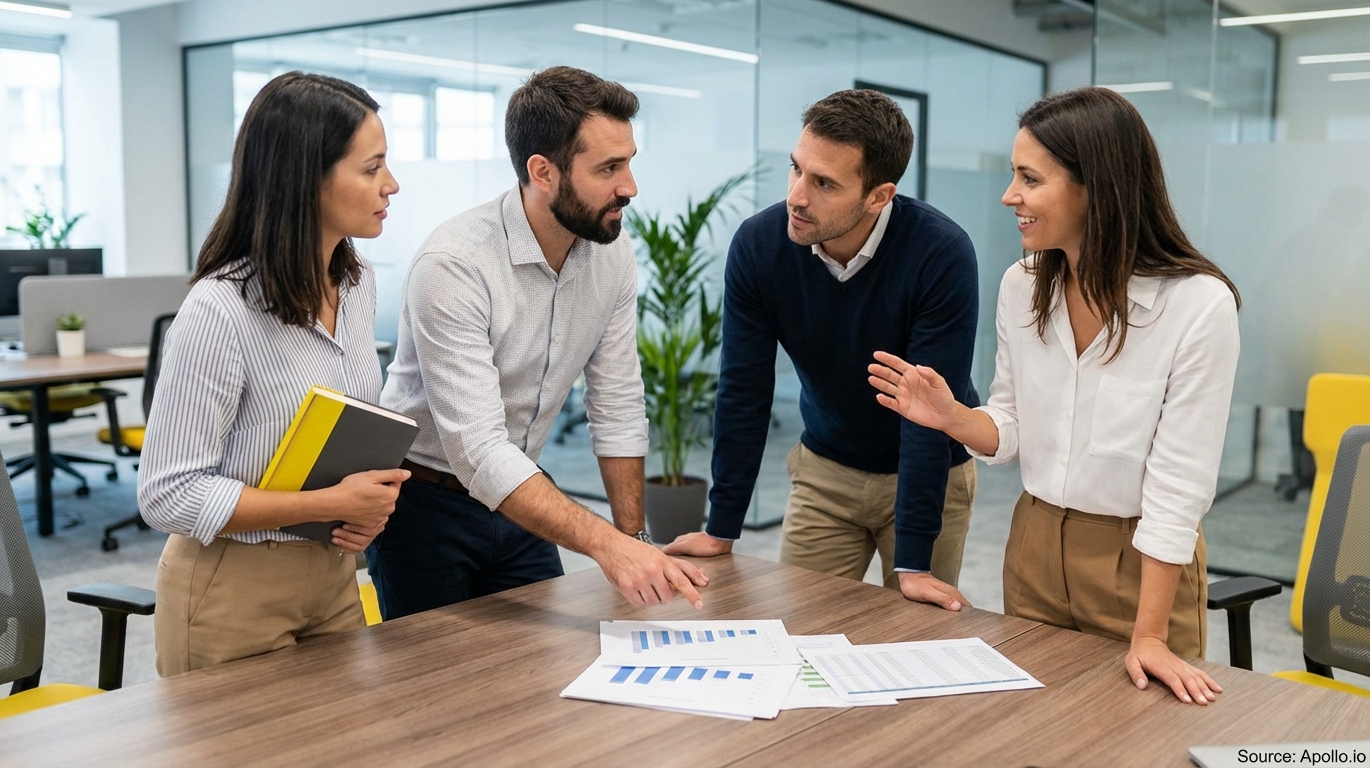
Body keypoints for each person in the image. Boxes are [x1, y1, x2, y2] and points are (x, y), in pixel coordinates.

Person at [869, 87, 1240, 706]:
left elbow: (1179, 487)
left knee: (1135, 733)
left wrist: (1148, 634)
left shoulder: (1198, 305)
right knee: (1032, 724)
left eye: (1029, 179)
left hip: (1139, 562)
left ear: (1097, 186)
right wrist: (955, 418)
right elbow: (1012, 424)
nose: (1009, 195)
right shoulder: (1023, 284)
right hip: (1035, 544)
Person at [367, 66, 708, 620]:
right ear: (542, 172)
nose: (630, 186)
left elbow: (617, 401)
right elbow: (478, 449)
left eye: (629, 162)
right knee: (434, 692)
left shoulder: (610, 249)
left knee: (544, 670)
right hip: (426, 504)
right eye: (609, 168)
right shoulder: (455, 264)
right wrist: (603, 543)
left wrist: (633, 539)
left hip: (525, 493)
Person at [664, 89, 979, 610]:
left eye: (824, 183)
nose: (796, 196)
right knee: (800, 633)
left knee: (910, 638)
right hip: (826, 471)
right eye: (796, 170)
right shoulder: (760, 245)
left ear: (878, 196)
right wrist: (722, 525)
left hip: (929, 472)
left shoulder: (940, 253)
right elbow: (744, 387)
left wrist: (915, 560)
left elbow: (926, 413)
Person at [139, 72, 406, 676]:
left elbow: (343, 430)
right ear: (305, 179)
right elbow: (167, 492)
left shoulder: (357, 286)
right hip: (232, 587)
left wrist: (362, 507)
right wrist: (328, 500)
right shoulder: (220, 310)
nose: (391, 185)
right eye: (371, 169)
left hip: (333, 574)